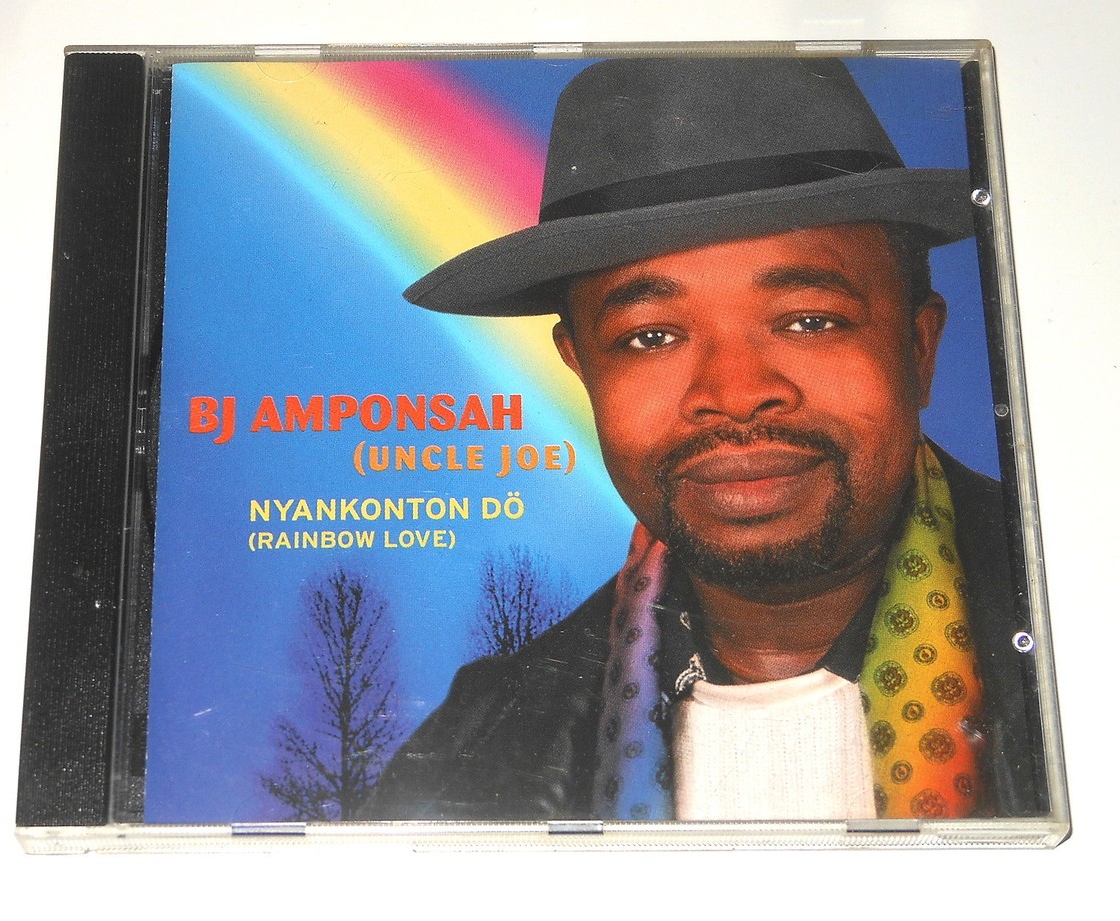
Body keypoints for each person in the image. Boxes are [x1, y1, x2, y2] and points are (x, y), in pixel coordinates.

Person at [367, 56, 1048, 821]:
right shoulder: (475, 750)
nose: (734, 392)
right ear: (582, 367)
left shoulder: (1095, 634)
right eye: (651, 336)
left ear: (918, 348)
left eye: (809, 321)